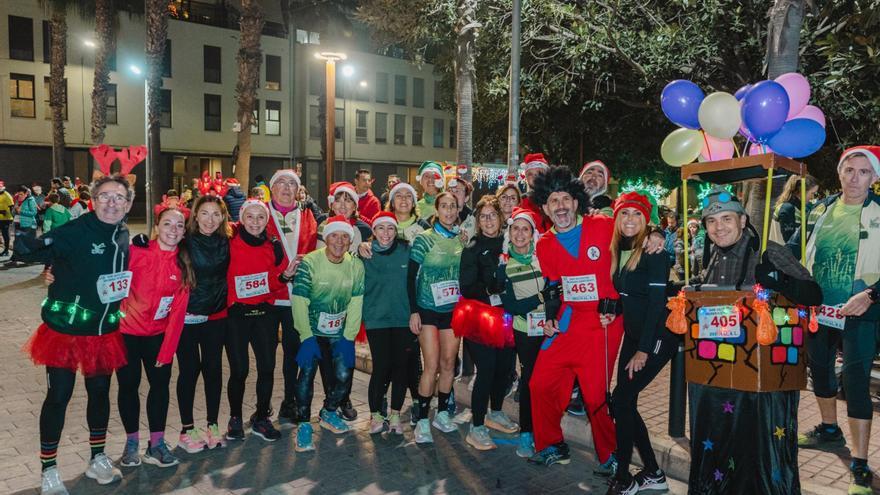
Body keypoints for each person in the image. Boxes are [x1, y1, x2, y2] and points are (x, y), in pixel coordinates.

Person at [683, 186, 822, 494]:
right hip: (720, 375)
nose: (719, 227)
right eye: (712, 221)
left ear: (743, 221)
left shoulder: (768, 252)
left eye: (726, 219)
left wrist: (779, 280)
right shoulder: (711, 258)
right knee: (721, 451)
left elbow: (814, 293)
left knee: (755, 458)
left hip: (762, 385)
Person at [14, 175, 133, 494]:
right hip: (65, 330)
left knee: (99, 394)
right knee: (59, 397)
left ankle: (97, 458)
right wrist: (30, 240)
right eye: (105, 196)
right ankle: (48, 469)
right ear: (93, 200)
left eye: (119, 198)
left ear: (128, 204)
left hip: (103, 331)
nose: (112, 203)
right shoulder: (77, 229)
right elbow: (32, 249)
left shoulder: (123, 233)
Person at [791, 146, 880, 495]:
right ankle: (829, 429)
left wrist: (871, 295)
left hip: (862, 311)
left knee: (856, 383)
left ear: (874, 177)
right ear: (840, 173)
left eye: (863, 171)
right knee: (821, 371)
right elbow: (803, 254)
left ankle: (860, 462)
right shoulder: (821, 209)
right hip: (820, 311)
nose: (855, 177)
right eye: (849, 170)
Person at [527, 166, 623, 471]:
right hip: (568, 322)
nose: (560, 206)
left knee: (595, 394)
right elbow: (554, 287)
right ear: (544, 207)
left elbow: (635, 241)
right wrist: (551, 317)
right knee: (540, 383)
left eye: (565, 198)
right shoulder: (544, 243)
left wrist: (656, 237)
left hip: (602, 322)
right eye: (553, 201)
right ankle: (551, 444)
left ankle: (610, 455)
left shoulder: (604, 226)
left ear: (576, 201)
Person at [604, 192, 676, 494]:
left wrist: (644, 350)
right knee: (623, 402)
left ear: (646, 220)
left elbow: (657, 304)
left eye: (636, 214)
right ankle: (653, 472)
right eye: (624, 214)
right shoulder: (621, 247)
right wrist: (611, 311)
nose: (629, 220)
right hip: (635, 336)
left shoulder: (653, 251)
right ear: (617, 218)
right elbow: (632, 297)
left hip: (657, 338)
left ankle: (624, 477)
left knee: (621, 400)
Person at [116, 207, 192, 469]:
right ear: (157, 226)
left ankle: (157, 443)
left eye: (179, 225)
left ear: (184, 232)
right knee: (128, 387)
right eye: (167, 224)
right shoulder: (136, 252)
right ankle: (132, 443)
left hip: (157, 337)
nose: (173, 229)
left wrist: (166, 351)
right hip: (125, 335)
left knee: (159, 388)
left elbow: (178, 314)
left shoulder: (183, 264)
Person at [225, 200, 297, 442]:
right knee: (239, 370)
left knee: (267, 368)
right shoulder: (229, 240)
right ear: (242, 218)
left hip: (264, 313)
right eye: (250, 217)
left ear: (267, 221)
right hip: (236, 315)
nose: (255, 222)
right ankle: (235, 417)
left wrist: (284, 277)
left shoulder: (273, 246)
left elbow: (275, 281)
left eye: (260, 218)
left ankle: (262, 417)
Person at [291, 216, 365, 451]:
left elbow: (356, 301)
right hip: (311, 331)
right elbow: (299, 300)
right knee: (307, 375)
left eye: (345, 237)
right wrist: (306, 336)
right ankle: (303, 424)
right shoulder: (310, 263)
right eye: (334, 235)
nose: (340, 241)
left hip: (339, 333)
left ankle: (328, 411)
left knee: (344, 376)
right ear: (326, 237)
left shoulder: (356, 265)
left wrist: (349, 336)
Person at [458, 195, 520, 451]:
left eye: (492, 215)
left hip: (506, 316)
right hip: (480, 317)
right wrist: (491, 288)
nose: (488, 220)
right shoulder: (472, 248)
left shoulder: (512, 244)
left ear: (501, 217)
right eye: (482, 216)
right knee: (486, 370)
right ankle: (477, 427)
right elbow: (467, 286)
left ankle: (495, 412)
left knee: (505, 368)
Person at [176, 195, 231, 452]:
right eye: (205, 213)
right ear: (195, 215)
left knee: (213, 369)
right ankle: (187, 428)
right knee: (189, 370)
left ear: (223, 217)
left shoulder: (227, 240)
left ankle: (212, 424)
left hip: (216, 314)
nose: (210, 220)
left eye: (216, 214)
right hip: (187, 316)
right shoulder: (182, 241)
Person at [408, 192, 465, 443]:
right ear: (437, 210)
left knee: (449, 364)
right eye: (444, 206)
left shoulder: (463, 240)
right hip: (427, 309)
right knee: (430, 365)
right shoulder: (424, 239)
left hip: (452, 311)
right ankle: (421, 419)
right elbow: (410, 277)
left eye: (453, 206)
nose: (449, 211)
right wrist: (413, 311)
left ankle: (442, 414)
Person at [264, 169, 318, 425]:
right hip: (268, 296)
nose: (286, 188)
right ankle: (262, 407)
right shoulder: (260, 213)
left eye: (292, 184)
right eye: (281, 183)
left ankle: (289, 401)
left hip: (297, 297)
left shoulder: (307, 214)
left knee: (291, 352)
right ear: (272, 189)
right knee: (265, 357)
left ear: (298, 190)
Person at [496, 207, 545, 458]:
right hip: (525, 331)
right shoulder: (504, 266)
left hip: (548, 331)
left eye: (525, 229)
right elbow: (511, 305)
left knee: (547, 383)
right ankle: (526, 434)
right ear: (510, 232)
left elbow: (557, 292)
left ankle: (546, 432)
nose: (520, 233)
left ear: (532, 233)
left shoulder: (543, 258)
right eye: (516, 228)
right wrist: (540, 297)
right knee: (530, 381)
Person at [362, 212, 416, 434]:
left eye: (390, 228)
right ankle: (376, 415)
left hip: (403, 318)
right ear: (373, 232)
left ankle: (395, 415)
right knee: (381, 367)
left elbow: (416, 281)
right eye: (380, 228)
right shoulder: (365, 253)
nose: (386, 233)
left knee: (401, 368)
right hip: (377, 319)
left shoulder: (407, 251)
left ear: (396, 230)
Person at [318, 182, 372, 253]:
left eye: (348, 201)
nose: (342, 206)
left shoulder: (364, 230)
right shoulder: (321, 222)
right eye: (337, 201)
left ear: (354, 207)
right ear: (332, 206)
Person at [770, 174, 819, 244]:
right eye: (812, 193)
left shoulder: (799, 208)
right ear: (802, 191)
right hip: (780, 253)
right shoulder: (787, 209)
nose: (813, 197)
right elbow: (790, 242)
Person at [518, 153, 552, 232]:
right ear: (526, 178)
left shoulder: (557, 197)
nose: (534, 176)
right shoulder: (521, 201)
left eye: (539, 173)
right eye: (530, 174)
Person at [447, 176, 476, 242]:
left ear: (466, 198)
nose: (452, 194)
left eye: (457, 191)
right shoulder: (437, 217)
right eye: (450, 190)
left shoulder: (473, 220)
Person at [0, 180, 13, 256]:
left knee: (5, 234)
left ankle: (6, 250)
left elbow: (11, 207)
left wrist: (11, 217)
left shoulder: (7, 195)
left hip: (6, 218)